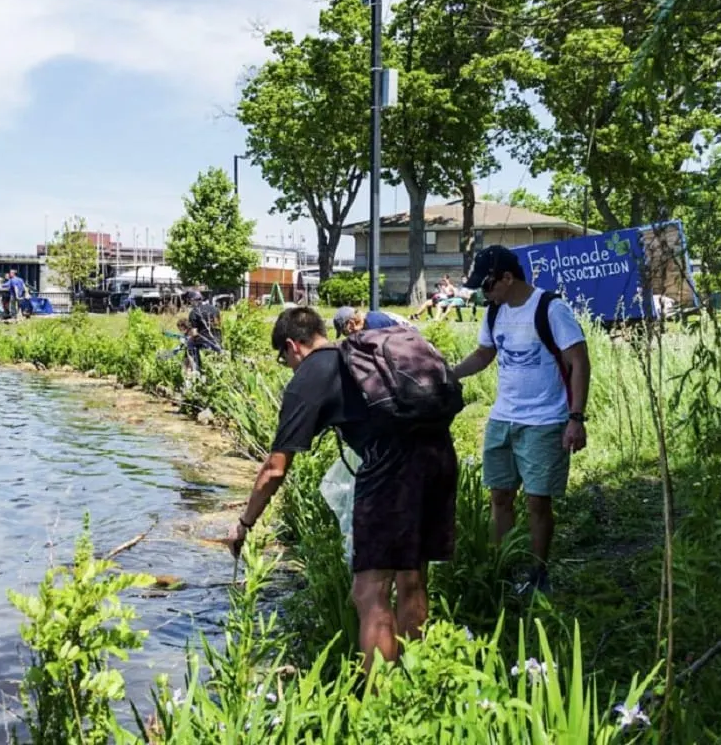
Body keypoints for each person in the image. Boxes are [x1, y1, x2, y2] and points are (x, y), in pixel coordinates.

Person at [228, 307, 458, 672]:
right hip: (439, 454)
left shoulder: (309, 376)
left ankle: (377, 703)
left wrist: (245, 523)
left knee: (369, 591)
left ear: (292, 346)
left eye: (283, 358)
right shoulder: (359, 356)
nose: (287, 366)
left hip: (390, 471)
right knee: (412, 578)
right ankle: (416, 681)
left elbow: (274, 469)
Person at [451, 245, 591, 595]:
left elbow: (579, 362)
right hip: (503, 418)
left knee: (537, 501)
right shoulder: (495, 312)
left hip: (545, 421)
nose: (485, 294)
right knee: (500, 496)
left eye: (487, 285)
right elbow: (485, 354)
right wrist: (450, 374)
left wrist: (576, 418)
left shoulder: (550, 308)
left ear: (507, 278)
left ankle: (538, 574)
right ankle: (504, 569)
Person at [331, 306, 406, 338]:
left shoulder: (373, 323)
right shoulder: (369, 319)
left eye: (345, 332)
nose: (347, 336)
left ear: (350, 323)